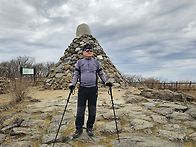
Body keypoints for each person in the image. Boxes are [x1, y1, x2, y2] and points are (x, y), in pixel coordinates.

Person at [69, 43, 112, 138]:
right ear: (83, 52)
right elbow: (76, 74)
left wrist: (106, 82)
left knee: (92, 110)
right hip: (82, 90)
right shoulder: (79, 63)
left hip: (93, 89)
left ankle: (89, 128)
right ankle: (78, 129)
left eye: (91, 51)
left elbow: (101, 73)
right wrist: (73, 84)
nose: (89, 52)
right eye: (87, 51)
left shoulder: (96, 62)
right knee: (80, 110)